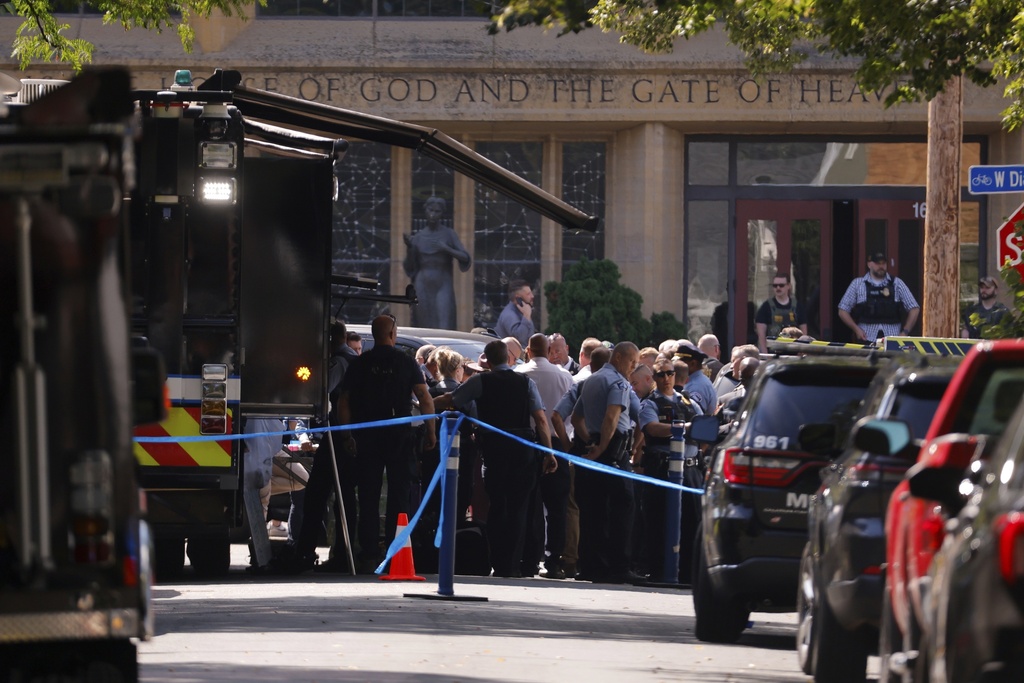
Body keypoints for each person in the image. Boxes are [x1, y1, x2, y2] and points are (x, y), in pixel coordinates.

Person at [435, 339, 555, 578]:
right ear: (509, 359)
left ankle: (499, 563)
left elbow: (451, 399)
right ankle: (514, 564)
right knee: (520, 510)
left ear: (487, 360)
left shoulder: (481, 381)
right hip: (523, 452)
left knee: (498, 506)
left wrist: (425, 404)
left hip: (495, 452)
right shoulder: (525, 383)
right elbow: (541, 420)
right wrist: (550, 452)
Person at [338, 315, 436, 574]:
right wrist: (431, 431)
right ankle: (396, 553)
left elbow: (344, 401)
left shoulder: (361, 363)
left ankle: (369, 554)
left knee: (368, 496)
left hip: (367, 435)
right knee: (399, 495)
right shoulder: (405, 362)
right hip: (399, 435)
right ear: (393, 333)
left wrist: (346, 435)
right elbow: (424, 397)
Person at [571, 341, 640, 584]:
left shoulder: (591, 380)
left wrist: (589, 440)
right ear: (618, 357)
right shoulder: (618, 382)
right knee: (622, 508)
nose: (633, 367)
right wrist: (601, 447)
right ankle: (620, 567)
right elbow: (612, 417)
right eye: (632, 362)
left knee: (594, 512)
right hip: (613, 452)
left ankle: (592, 566)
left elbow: (576, 417)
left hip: (595, 451)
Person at [636, 357, 702, 582]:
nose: (666, 378)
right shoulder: (650, 403)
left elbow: (703, 428)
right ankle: (659, 571)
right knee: (658, 522)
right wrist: (683, 428)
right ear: (653, 378)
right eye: (660, 374)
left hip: (691, 471)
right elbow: (652, 428)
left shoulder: (689, 402)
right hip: (662, 471)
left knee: (692, 523)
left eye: (670, 373)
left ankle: (687, 574)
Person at [516, 333, 574, 578]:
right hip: (558, 442)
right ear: (550, 350)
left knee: (528, 504)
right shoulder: (565, 377)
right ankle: (553, 560)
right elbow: (568, 416)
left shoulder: (520, 375)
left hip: (527, 442)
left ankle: (528, 559)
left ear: (528, 350)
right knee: (557, 506)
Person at [403, 196, 471, 329]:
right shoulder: (418, 237)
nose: (433, 214)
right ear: (425, 210)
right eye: (430, 210)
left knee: (444, 322)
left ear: (442, 213)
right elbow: (409, 267)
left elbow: (465, 257)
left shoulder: (448, 234)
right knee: (423, 323)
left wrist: (446, 248)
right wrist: (409, 248)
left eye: (437, 211)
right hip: (422, 282)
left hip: (442, 282)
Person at [838, 252, 920, 341]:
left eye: (883, 263)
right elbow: (842, 310)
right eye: (877, 263)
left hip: (892, 341)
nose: (881, 266)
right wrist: (856, 329)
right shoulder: (858, 284)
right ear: (869, 264)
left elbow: (914, 308)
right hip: (866, 339)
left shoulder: (897, 283)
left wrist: (905, 332)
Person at [755, 273, 807, 353]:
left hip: (793, 352)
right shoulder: (766, 307)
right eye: (775, 285)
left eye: (781, 285)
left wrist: (801, 353)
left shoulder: (797, 307)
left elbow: (804, 333)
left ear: (788, 286)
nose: (778, 288)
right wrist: (765, 355)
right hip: (773, 352)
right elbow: (761, 336)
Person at [674, 345, 717, 415]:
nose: (675, 364)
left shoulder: (696, 386)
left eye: (681, 362)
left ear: (693, 364)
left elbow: (694, 415)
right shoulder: (695, 381)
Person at [493, 280, 536, 348]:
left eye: (531, 293)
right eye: (528, 294)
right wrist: (526, 316)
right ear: (518, 298)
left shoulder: (523, 311)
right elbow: (519, 339)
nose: (532, 296)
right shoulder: (509, 315)